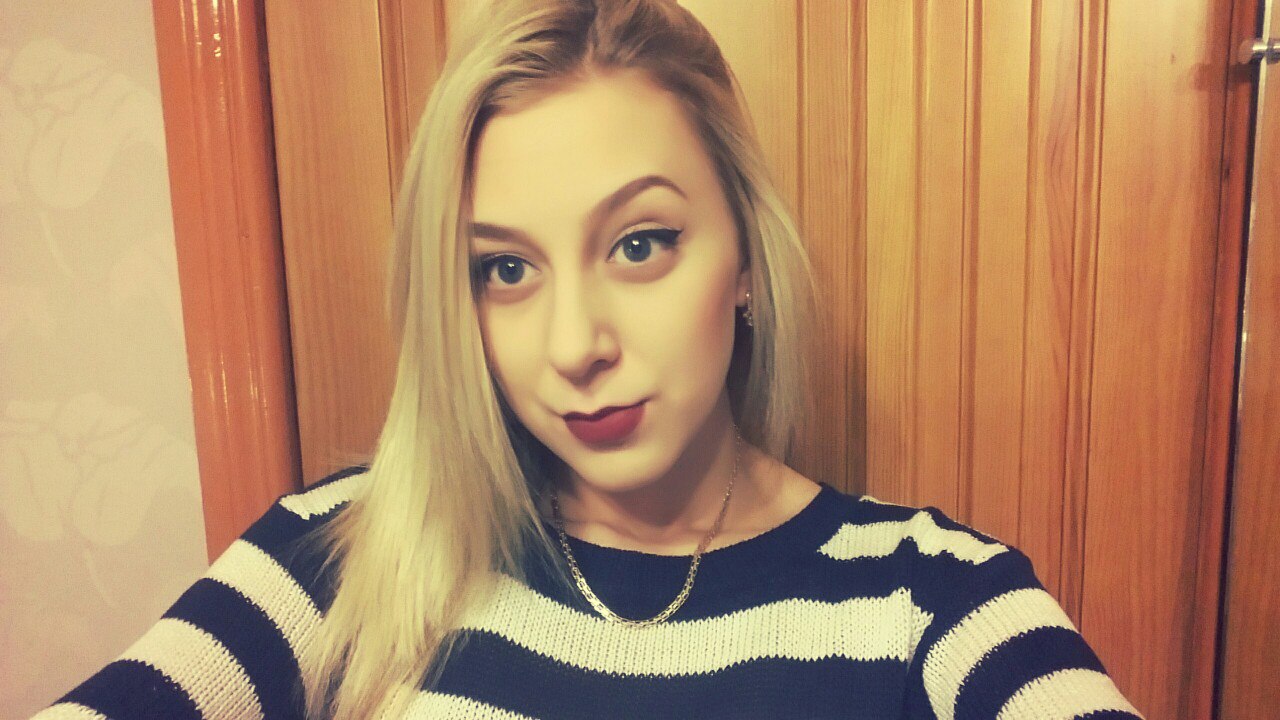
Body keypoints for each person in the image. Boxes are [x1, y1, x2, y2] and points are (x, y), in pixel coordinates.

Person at [32, 0, 1147, 718]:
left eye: (639, 244)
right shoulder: (351, 555)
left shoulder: (928, 599)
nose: (574, 347)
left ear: (745, 260)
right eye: (504, 269)